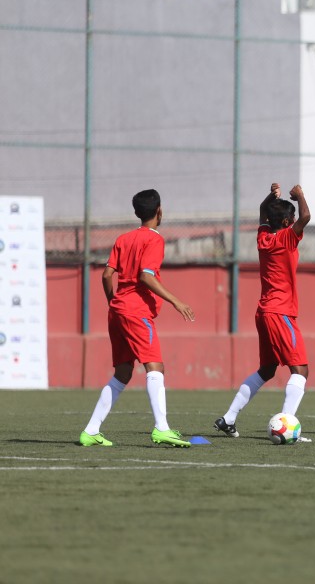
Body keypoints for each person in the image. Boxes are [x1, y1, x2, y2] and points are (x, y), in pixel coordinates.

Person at [79, 189, 195, 447]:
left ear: (136, 213)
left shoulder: (123, 238)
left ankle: (90, 430)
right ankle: (162, 428)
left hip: (118, 310)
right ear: (160, 211)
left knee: (122, 372)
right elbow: (146, 275)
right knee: (155, 367)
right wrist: (176, 301)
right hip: (136, 312)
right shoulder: (154, 240)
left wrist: (115, 304)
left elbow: (107, 275)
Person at [214, 183, 313, 441]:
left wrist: (271, 197)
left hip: (264, 312)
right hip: (280, 313)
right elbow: (306, 217)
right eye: (289, 219)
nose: (294, 222)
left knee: (267, 370)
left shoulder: (263, 237)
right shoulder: (285, 238)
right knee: (300, 371)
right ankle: (286, 424)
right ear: (284, 221)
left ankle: (229, 418)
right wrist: (300, 195)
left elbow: (262, 210)